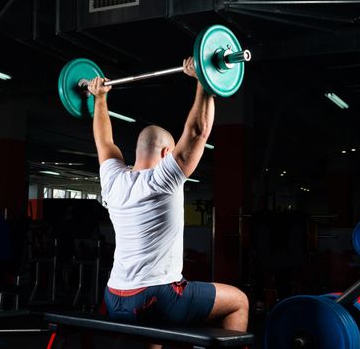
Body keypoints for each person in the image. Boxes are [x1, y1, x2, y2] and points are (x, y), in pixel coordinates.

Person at [87, 57, 249, 335]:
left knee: (155, 330)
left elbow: (105, 141)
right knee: (238, 301)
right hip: (157, 298)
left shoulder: (113, 179)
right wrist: (204, 82)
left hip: (114, 297)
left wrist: (99, 98)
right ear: (166, 154)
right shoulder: (163, 179)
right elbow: (197, 132)